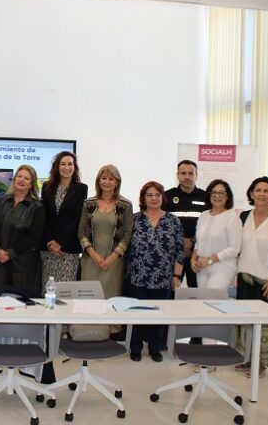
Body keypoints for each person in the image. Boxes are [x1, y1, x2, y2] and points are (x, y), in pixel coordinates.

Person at [235, 176, 268, 377]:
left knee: (265, 325)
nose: (262, 194)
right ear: (251, 193)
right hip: (245, 279)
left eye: (266, 191)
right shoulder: (243, 217)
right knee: (247, 324)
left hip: (267, 281)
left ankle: (261, 363)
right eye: (258, 190)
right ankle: (248, 359)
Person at [125, 181, 184, 362]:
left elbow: (180, 250)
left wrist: (176, 275)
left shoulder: (173, 221)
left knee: (158, 313)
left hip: (163, 277)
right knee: (137, 312)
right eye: (149, 195)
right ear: (143, 198)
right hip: (137, 276)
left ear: (162, 197)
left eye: (157, 195)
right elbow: (125, 246)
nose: (153, 198)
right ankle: (135, 347)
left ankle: (154, 347)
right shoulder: (134, 219)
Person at [78, 164, 133, 309]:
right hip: (91, 260)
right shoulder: (88, 203)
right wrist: (93, 255)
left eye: (111, 179)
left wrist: (112, 258)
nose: (107, 182)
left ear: (117, 182)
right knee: (89, 301)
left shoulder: (126, 205)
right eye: (104, 178)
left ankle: (111, 331)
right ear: (98, 180)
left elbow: (128, 234)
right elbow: (81, 231)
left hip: (114, 263)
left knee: (111, 303)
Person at [0, 164, 46, 288]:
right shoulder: (1, 201)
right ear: (14, 180)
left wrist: (9, 254)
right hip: (0, 262)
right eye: (19, 176)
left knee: (21, 304)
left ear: (31, 184)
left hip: (23, 266)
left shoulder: (37, 207)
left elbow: (34, 238)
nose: (21, 180)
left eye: (26, 178)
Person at [40, 151, 88, 287]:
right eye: (63, 164)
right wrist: (51, 241)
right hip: (48, 249)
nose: (67, 167)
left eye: (70, 164)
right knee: (48, 290)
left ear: (75, 167)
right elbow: (45, 217)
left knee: (65, 293)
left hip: (68, 249)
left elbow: (77, 219)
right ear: (57, 166)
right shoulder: (46, 187)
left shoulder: (81, 189)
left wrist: (59, 242)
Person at [163, 160, 208, 288]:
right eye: (183, 173)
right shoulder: (167, 196)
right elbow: (163, 225)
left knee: (197, 294)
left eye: (190, 173)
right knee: (171, 292)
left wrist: (192, 241)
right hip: (173, 255)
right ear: (178, 175)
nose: (187, 177)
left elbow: (209, 227)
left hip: (198, 255)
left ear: (196, 175)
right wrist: (180, 242)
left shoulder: (206, 197)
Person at [191, 179, 242, 289]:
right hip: (201, 266)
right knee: (202, 302)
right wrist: (193, 259)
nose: (217, 196)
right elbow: (198, 242)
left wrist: (209, 260)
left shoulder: (232, 217)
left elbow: (234, 249)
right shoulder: (203, 215)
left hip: (223, 266)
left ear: (227, 196)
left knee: (211, 299)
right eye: (214, 192)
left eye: (221, 193)